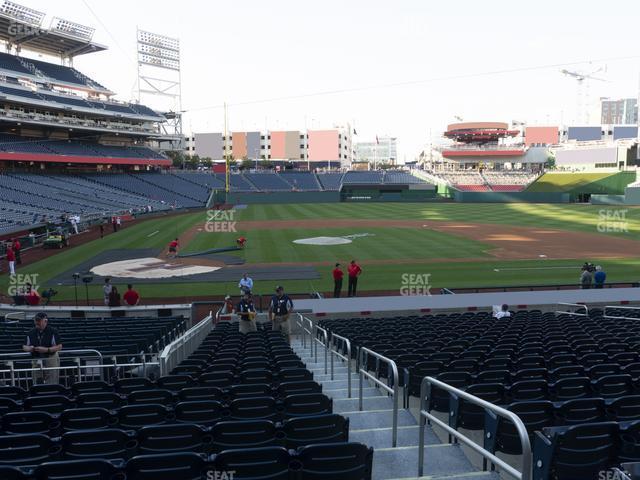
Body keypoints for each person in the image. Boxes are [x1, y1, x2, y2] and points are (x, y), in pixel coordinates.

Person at [22, 312, 62, 385]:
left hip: (50, 358)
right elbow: (24, 346)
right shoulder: (31, 332)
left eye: (39, 320)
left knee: (52, 381)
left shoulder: (53, 331)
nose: (37, 322)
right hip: (36, 359)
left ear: (45, 321)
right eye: (36, 320)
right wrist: (30, 348)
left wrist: (47, 350)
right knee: (37, 381)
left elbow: (59, 346)